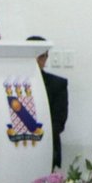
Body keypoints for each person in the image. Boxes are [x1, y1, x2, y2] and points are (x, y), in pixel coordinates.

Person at [26, 35, 69, 169]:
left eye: (40, 56)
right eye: (32, 56)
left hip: (46, 148)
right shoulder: (12, 84)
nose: (36, 61)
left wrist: (35, 136)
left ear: (46, 58)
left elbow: (58, 122)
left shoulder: (58, 84)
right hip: (17, 146)